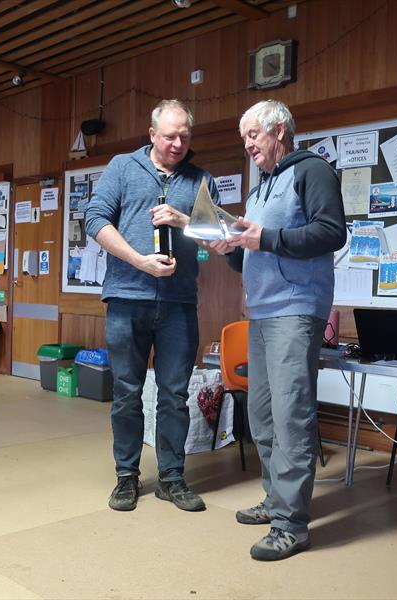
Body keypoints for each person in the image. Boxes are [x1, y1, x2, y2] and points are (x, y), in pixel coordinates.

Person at [209, 100, 346, 560]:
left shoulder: (313, 172)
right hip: (263, 312)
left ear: (279, 130)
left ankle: (293, 525)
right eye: (244, 137)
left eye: (253, 135)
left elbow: (331, 232)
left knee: (291, 416)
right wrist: (229, 247)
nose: (247, 145)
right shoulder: (259, 190)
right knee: (263, 413)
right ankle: (276, 500)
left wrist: (262, 238)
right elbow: (256, 253)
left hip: (297, 309)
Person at [86, 99, 219, 513]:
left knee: (174, 394)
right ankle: (126, 477)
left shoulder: (201, 180)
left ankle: (172, 478)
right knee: (126, 393)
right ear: (152, 134)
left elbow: (214, 240)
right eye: (169, 135)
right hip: (127, 298)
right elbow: (95, 220)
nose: (178, 143)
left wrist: (185, 221)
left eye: (185, 136)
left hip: (179, 304)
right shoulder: (122, 168)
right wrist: (139, 261)